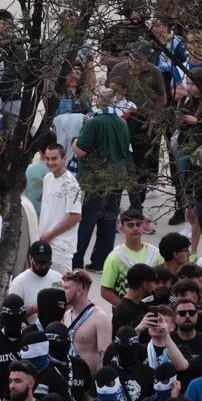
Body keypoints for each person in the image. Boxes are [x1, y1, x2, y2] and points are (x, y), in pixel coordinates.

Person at [72, 87, 130, 271]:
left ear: (99, 102)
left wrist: (74, 141)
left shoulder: (95, 123)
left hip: (96, 179)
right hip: (117, 177)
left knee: (87, 221)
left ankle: (76, 260)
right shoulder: (122, 123)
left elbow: (80, 150)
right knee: (109, 220)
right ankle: (101, 262)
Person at [100, 209, 162, 306]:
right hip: (126, 318)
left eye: (138, 224)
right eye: (130, 225)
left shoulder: (155, 254)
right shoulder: (115, 257)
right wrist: (126, 309)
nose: (135, 228)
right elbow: (105, 291)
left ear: (143, 226)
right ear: (121, 227)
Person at [37, 143, 82, 274]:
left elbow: (76, 217)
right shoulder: (47, 178)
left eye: (54, 158)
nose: (50, 162)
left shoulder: (72, 184)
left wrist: (50, 234)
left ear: (64, 158)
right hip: (44, 242)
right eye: (47, 158)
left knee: (60, 287)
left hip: (61, 247)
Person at [62, 269, 112, 374]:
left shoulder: (100, 318)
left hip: (89, 381)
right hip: (69, 377)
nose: (63, 292)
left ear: (79, 291)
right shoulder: (67, 315)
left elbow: (105, 356)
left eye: (66, 288)